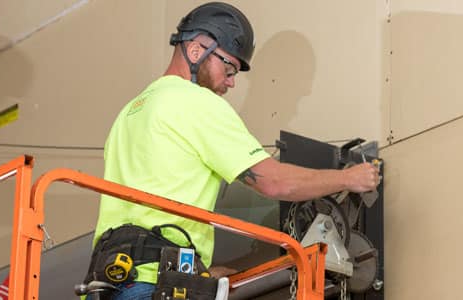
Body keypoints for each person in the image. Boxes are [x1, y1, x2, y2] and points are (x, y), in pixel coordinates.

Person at [88, 2, 380, 299]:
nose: (230, 82)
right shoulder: (195, 102)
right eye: (228, 68)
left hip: (108, 282)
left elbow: (149, 206)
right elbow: (273, 180)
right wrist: (349, 179)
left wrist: (198, 271)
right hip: (154, 285)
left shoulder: (129, 114)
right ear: (195, 50)